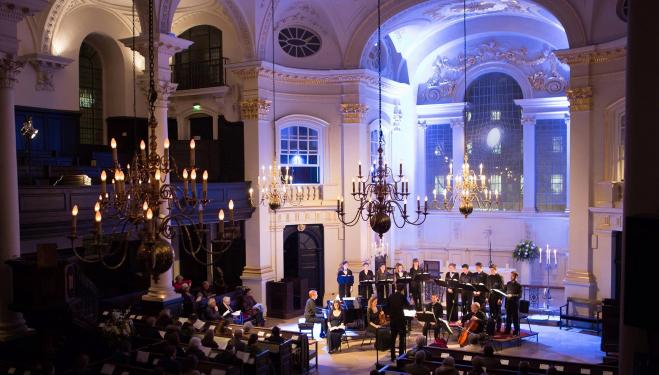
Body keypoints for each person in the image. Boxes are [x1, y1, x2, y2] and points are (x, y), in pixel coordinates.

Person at [388, 284, 410, 361]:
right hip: (400, 321)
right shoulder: (402, 296)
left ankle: (392, 356)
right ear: (402, 290)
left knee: (392, 339)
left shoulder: (391, 296)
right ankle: (400, 355)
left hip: (393, 320)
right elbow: (408, 306)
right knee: (401, 339)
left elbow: (388, 306)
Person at [486, 264, 504, 332]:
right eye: (490, 270)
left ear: (495, 269)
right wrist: (487, 297)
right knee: (491, 312)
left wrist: (500, 298)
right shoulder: (489, 277)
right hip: (491, 297)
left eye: (492, 270)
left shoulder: (500, 277)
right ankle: (492, 326)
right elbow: (488, 288)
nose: (491, 271)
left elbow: (502, 289)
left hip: (497, 297)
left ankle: (498, 327)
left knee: (498, 313)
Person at [505, 271, 522, 336]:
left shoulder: (519, 285)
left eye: (512, 275)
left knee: (515, 318)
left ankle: (516, 331)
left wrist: (512, 295)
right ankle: (507, 330)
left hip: (514, 304)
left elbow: (519, 295)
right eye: (511, 275)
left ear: (515, 277)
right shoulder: (508, 283)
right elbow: (504, 291)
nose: (511, 276)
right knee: (508, 317)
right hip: (508, 303)